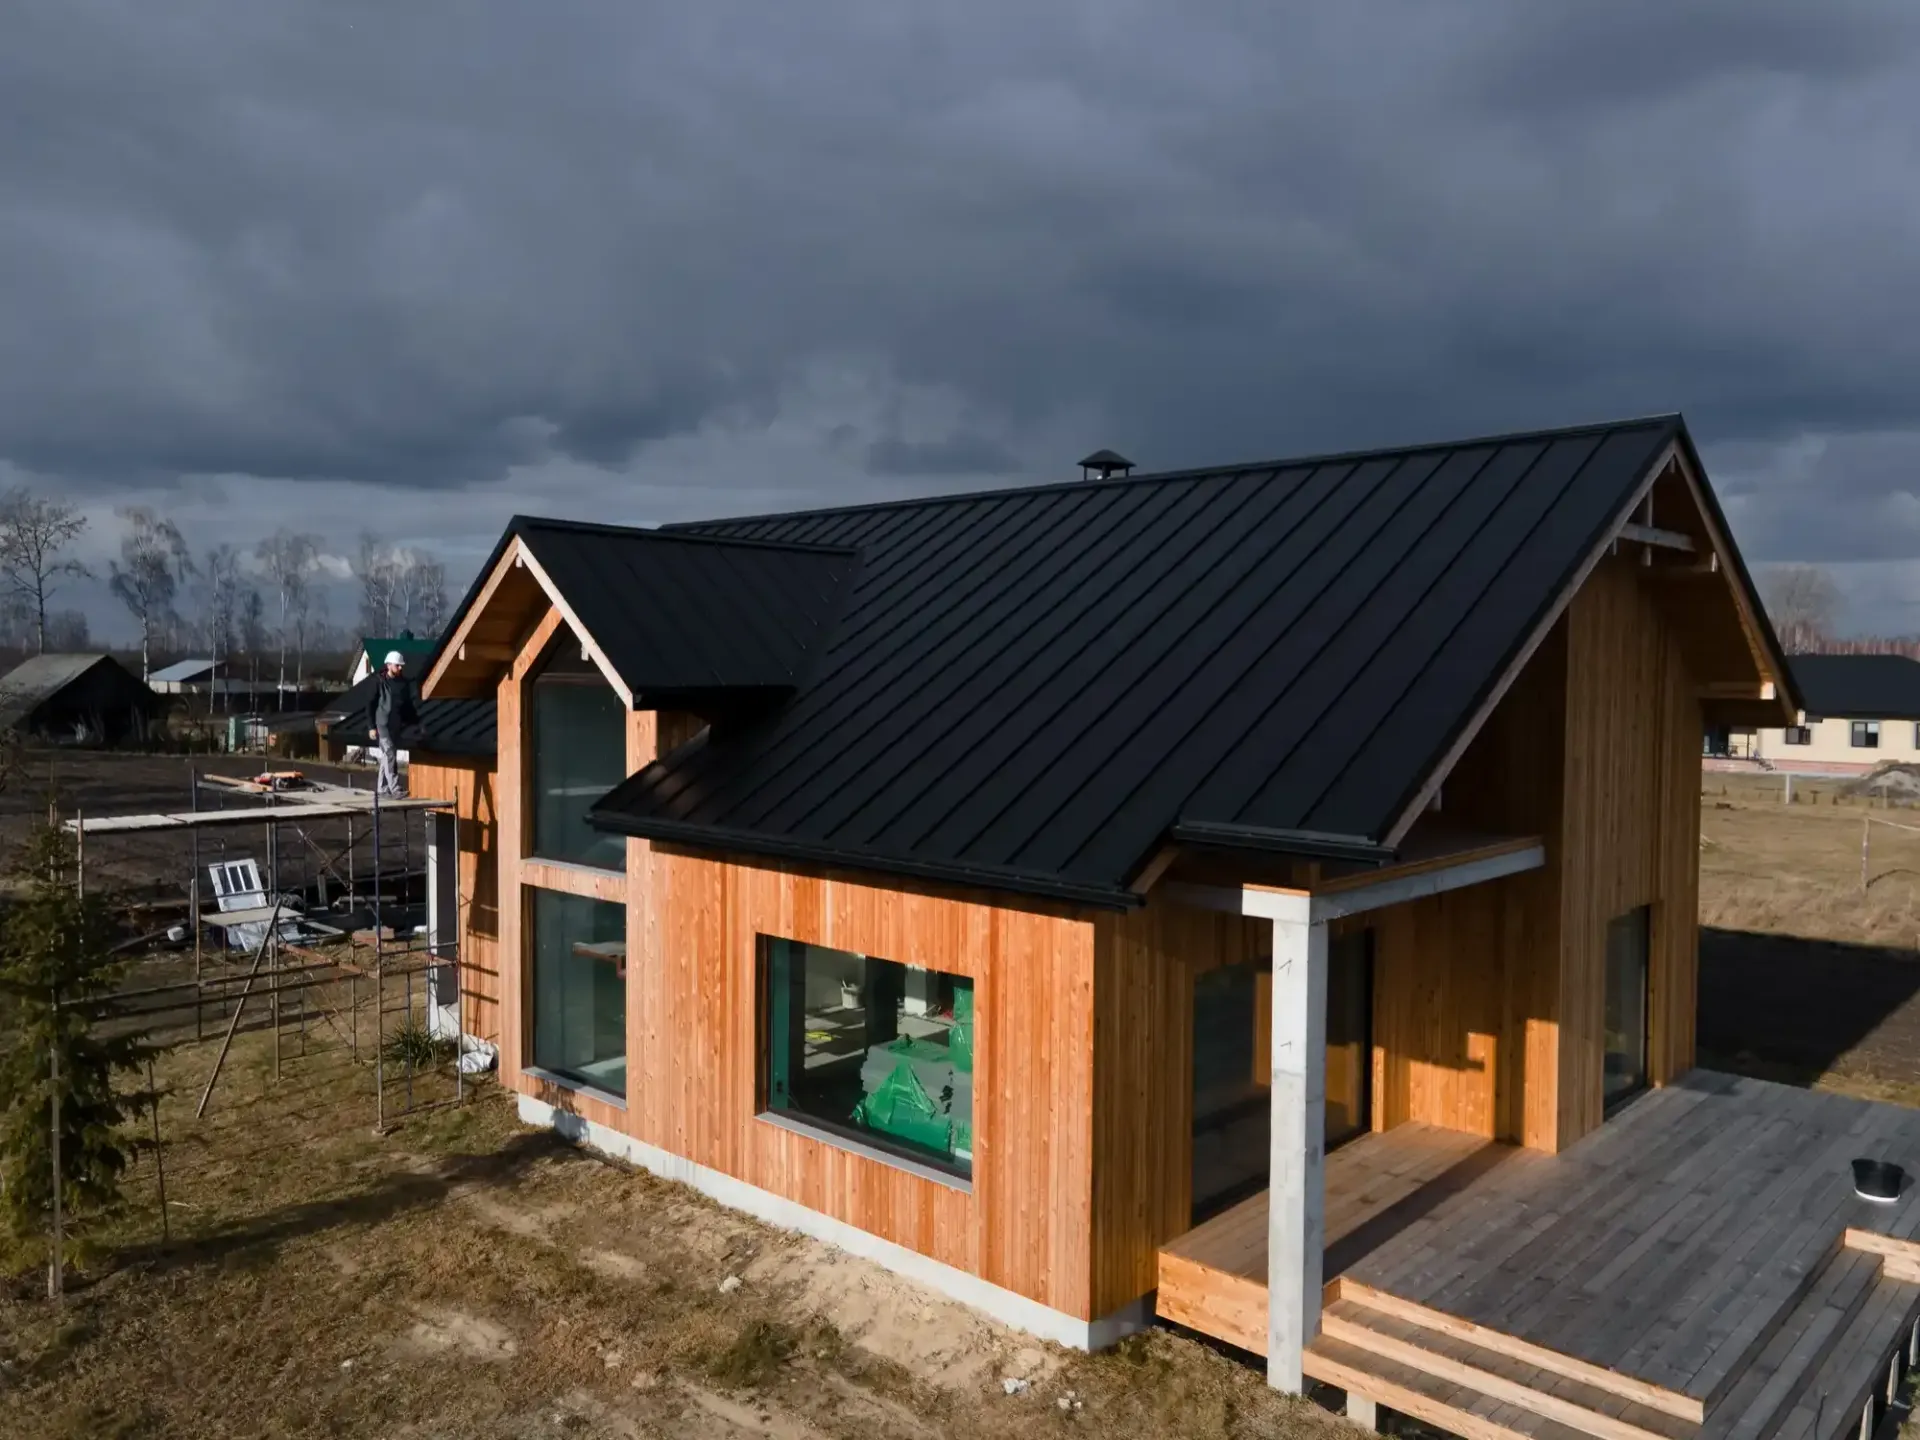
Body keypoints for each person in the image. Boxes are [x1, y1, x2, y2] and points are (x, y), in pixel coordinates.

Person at [369, 650, 419, 798]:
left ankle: (382, 788)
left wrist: (414, 722)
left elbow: (406, 705)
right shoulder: (379, 682)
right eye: (398, 665)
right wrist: (371, 727)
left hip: (395, 726)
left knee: (386, 756)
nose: (400, 668)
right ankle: (395, 788)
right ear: (389, 665)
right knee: (390, 754)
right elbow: (370, 705)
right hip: (382, 725)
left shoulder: (402, 684)